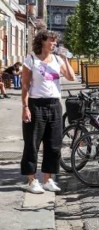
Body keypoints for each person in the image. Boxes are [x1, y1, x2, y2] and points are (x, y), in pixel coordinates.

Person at [21, 28, 75, 194]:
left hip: (55, 104)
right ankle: (31, 180)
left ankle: (48, 179)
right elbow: (25, 85)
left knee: (54, 145)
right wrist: (25, 107)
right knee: (32, 143)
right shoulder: (31, 60)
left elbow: (72, 77)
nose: (54, 43)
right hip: (36, 104)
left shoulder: (58, 60)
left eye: (55, 41)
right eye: (50, 40)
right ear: (42, 41)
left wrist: (65, 59)